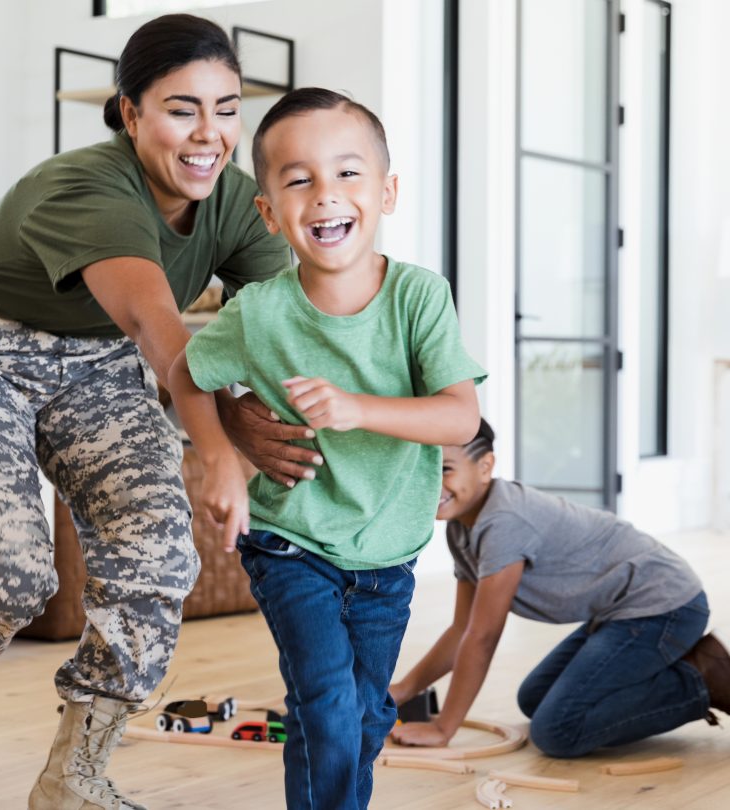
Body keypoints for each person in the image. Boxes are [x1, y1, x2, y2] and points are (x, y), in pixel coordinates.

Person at [0, 15, 324, 809]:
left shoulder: (234, 203)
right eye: (181, 108)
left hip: (94, 365)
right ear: (130, 113)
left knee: (160, 556)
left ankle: (74, 775)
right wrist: (221, 445)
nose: (210, 134)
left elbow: (274, 329)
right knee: (10, 574)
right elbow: (157, 333)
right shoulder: (88, 185)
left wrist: (282, 412)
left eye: (227, 108)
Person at [167, 88, 486, 810]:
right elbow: (184, 374)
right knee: (326, 703)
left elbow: (459, 417)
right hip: (291, 542)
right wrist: (221, 459)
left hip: (388, 552)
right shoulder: (257, 311)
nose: (325, 196)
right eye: (298, 179)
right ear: (268, 211)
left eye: (347, 173)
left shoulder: (418, 297)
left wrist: (355, 409)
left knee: (365, 713)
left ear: (388, 192)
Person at [388, 419, 730, 758]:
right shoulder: (462, 528)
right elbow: (461, 630)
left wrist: (444, 729)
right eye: (423, 468)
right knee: (534, 700)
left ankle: (701, 680)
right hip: (620, 612)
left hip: (664, 606)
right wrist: (404, 689)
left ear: (485, 466)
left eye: (445, 469)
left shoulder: (504, 522)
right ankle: (671, 665)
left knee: (557, 731)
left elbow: (483, 636)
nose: (431, 482)